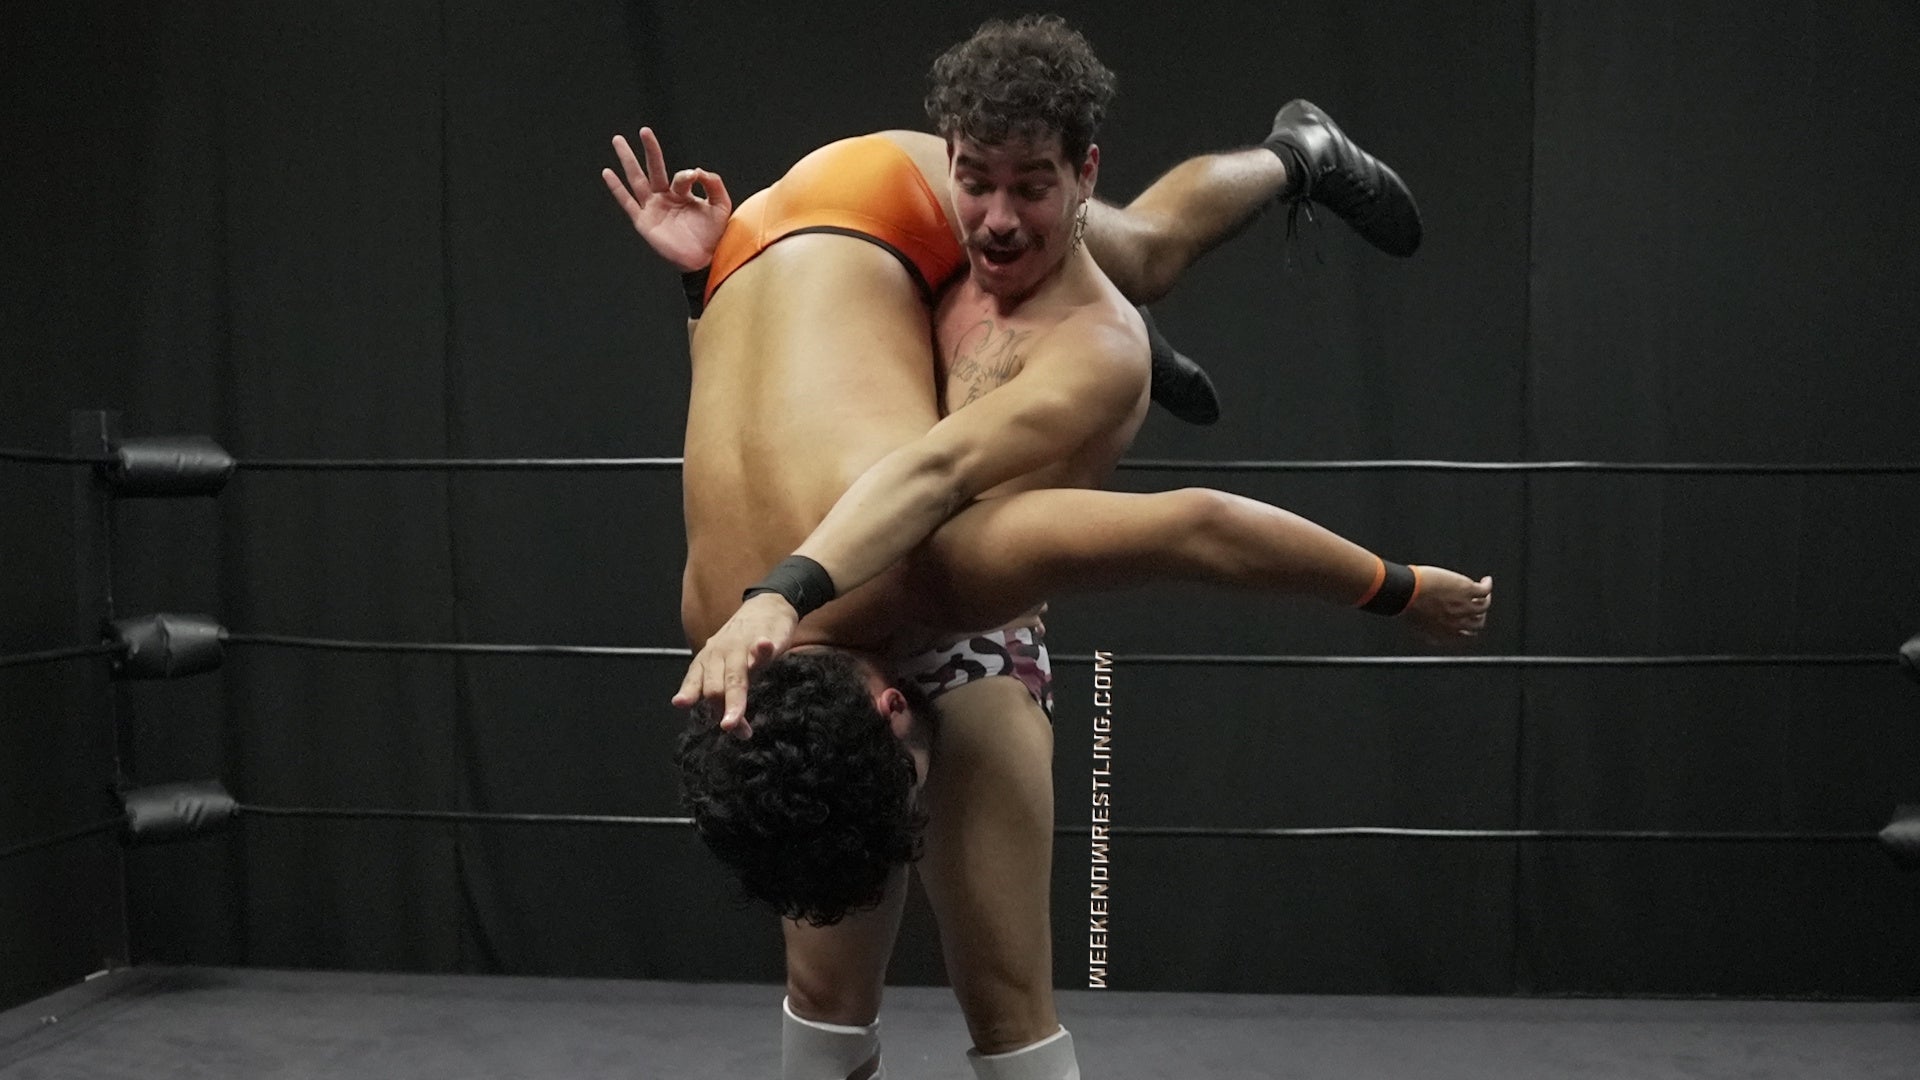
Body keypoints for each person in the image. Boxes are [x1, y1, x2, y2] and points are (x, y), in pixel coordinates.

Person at [604, 17, 1479, 1080]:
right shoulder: (721, 644)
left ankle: (1298, 155)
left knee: (1141, 256)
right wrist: (704, 286)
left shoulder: (940, 564)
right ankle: (1079, 355)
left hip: (874, 204)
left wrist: (1401, 589)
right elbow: (742, 394)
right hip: (759, 263)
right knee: (824, 977)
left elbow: (1185, 524)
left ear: (890, 702)